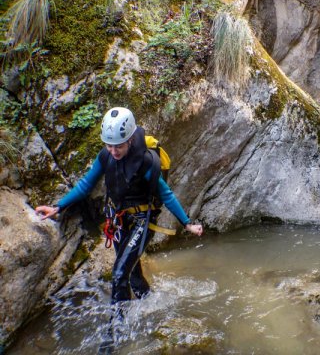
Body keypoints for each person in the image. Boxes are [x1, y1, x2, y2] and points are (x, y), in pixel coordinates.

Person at [36, 107, 203, 304]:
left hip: (143, 222)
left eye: (119, 146)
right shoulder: (105, 156)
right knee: (131, 273)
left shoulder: (146, 163)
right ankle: (148, 302)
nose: (114, 151)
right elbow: (85, 184)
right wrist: (58, 206)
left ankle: (117, 330)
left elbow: (166, 194)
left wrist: (187, 223)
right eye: (109, 145)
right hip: (118, 219)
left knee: (118, 273)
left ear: (130, 139)